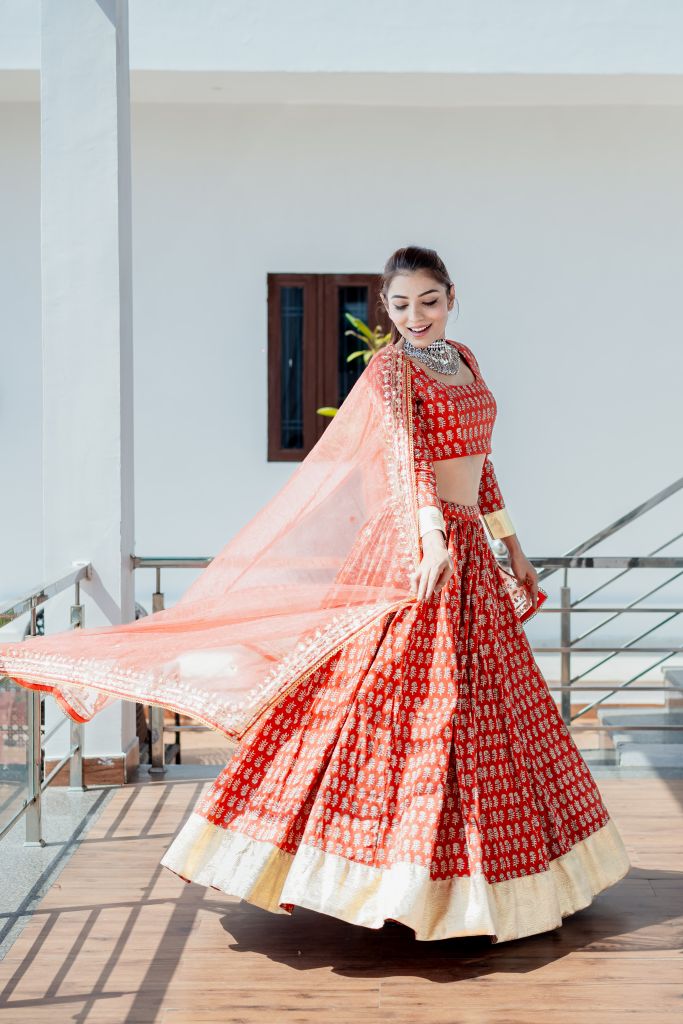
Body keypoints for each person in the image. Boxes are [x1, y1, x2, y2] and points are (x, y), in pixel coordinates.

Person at [0, 245, 630, 944]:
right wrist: (430, 537)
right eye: (399, 305)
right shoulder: (390, 368)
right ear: (384, 310)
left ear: (451, 297)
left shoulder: (466, 362)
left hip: (467, 556)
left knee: (487, 716)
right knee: (396, 710)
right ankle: (379, 876)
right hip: (419, 557)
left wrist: (509, 543)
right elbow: (407, 458)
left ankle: (487, 884)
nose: (414, 317)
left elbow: (480, 464)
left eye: (427, 301)